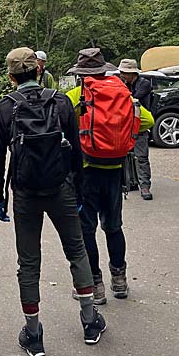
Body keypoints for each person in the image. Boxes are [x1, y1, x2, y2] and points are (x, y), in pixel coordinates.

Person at [0, 47, 106, 356]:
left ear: (11, 76)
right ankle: (90, 322)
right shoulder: (62, 101)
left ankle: (34, 334)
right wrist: (79, 191)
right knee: (77, 251)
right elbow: (76, 152)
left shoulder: (3, 109)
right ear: (39, 71)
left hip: (25, 193)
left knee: (28, 262)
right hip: (61, 189)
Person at [66, 49, 154, 303]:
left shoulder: (76, 96)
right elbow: (147, 120)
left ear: (80, 74)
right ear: (105, 71)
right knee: (113, 227)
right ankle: (120, 280)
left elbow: (59, 121)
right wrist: (124, 134)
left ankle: (95, 285)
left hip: (85, 171)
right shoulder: (124, 94)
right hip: (115, 171)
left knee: (87, 230)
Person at [118, 58, 154, 200]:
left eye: (124, 72)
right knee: (126, 156)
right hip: (127, 124)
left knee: (141, 157)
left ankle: (144, 185)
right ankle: (131, 182)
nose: (121, 75)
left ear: (131, 73)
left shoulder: (144, 84)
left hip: (141, 124)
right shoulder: (125, 83)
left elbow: (132, 99)